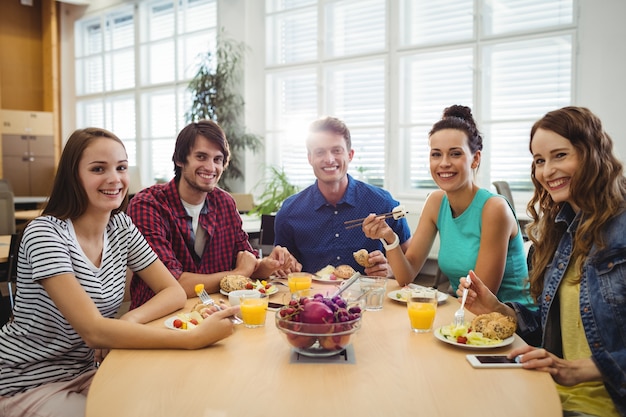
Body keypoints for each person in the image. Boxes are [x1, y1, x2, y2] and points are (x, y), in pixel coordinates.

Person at [0, 128, 238, 417]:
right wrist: (194, 338)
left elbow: (173, 291)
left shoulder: (120, 226)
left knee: (171, 401)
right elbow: (93, 331)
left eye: (121, 168)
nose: (115, 179)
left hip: (90, 370)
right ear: (72, 175)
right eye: (98, 169)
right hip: (26, 381)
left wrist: (130, 318)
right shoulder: (45, 233)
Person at [459, 106, 626, 416]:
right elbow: (549, 329)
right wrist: (497, 309)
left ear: (592, 154)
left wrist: (580, 370)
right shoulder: (557, 233)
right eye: (539, 160)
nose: (547, 171)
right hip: (549, 391)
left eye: (560, 155)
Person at [362, 105, 533, 306]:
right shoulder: (435, 202)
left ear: (475, 159)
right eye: (436, 154)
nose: (443, 163)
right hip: (464, 313)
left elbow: (479, 299)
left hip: (508, 322)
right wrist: (389, 237)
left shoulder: (494, 209)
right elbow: (406, 276)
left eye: (455, 154)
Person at [127, 120, 300, 308]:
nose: (211, 167)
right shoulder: (148, 204)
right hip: (159, 318)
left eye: (217, 159)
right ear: (180, 159)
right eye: (201, 157)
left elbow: (247, 262)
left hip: (216, 312)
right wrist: (239, 273)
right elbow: (171, 283)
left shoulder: (224, 203)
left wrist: (270, 264)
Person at [274, 116, 412, 277]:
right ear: (310, 158)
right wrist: (282, 267)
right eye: (320, 152)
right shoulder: (290, 211)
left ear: (350, 155)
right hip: (311, 299)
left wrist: (390, 270)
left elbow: (410, 261)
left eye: (336, 150)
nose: (329, 159)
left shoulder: (383, 203)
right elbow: (282, 266)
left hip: (369, 298)